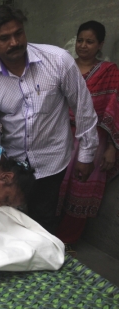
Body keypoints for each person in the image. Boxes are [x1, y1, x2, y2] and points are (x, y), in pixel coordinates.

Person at [0, 5, 99, 233]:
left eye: (18, 33)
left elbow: (83, 107)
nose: (14, 42)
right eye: (4, 38)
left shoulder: (58, 61)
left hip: (52, 161)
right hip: (14, 165)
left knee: (44, 222)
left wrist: (86, 154)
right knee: (11, 225)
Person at [56, 21, 119, 245]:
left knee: (82, 187)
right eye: (80, 40)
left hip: (93, 140)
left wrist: (112, 148)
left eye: (90, 41)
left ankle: (68, 242)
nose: (83, 46)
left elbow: (115, 110)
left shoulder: (110, 72)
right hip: (60, 136)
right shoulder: (65, 68)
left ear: (100, 44)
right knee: (53, 186)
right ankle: (47, 239)